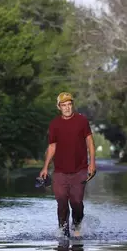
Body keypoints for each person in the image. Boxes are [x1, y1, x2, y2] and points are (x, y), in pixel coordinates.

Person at [39, 92, 96, 234]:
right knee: (62, 203)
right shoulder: (54, 124)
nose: (67, 107)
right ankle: (63, 232)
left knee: (76, 203)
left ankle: (76, 225)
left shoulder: (82, 121)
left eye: (69, 104)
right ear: (59, 107)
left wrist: (92, 163)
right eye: (64, 105)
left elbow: (89, 141)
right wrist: (45, 167)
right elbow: (52, 146)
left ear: (72, 105)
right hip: (59, 172)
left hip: (79, 170)